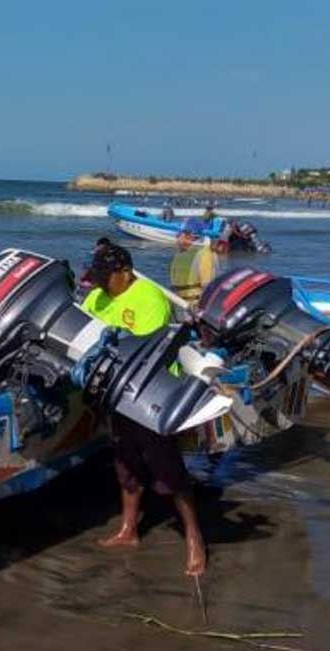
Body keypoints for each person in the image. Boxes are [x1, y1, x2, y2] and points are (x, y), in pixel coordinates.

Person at [81, 243, 207, 577]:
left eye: (106, 277)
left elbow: (145, 354)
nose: (101, 283)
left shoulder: (149, 298)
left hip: (151, 395)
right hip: (115, 394)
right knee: (126, 464)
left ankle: (194, 538)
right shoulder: (96, 296)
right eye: (98, 277)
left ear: (125, 272)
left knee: (169, 471)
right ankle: (128, 530)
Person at [169, 225, 220, 308]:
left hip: (193, 306)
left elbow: (207, 285)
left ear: (190, 236)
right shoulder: (180, 256)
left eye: (180, 236)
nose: (177, 239)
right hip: (185, 306)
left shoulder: (204, 254)